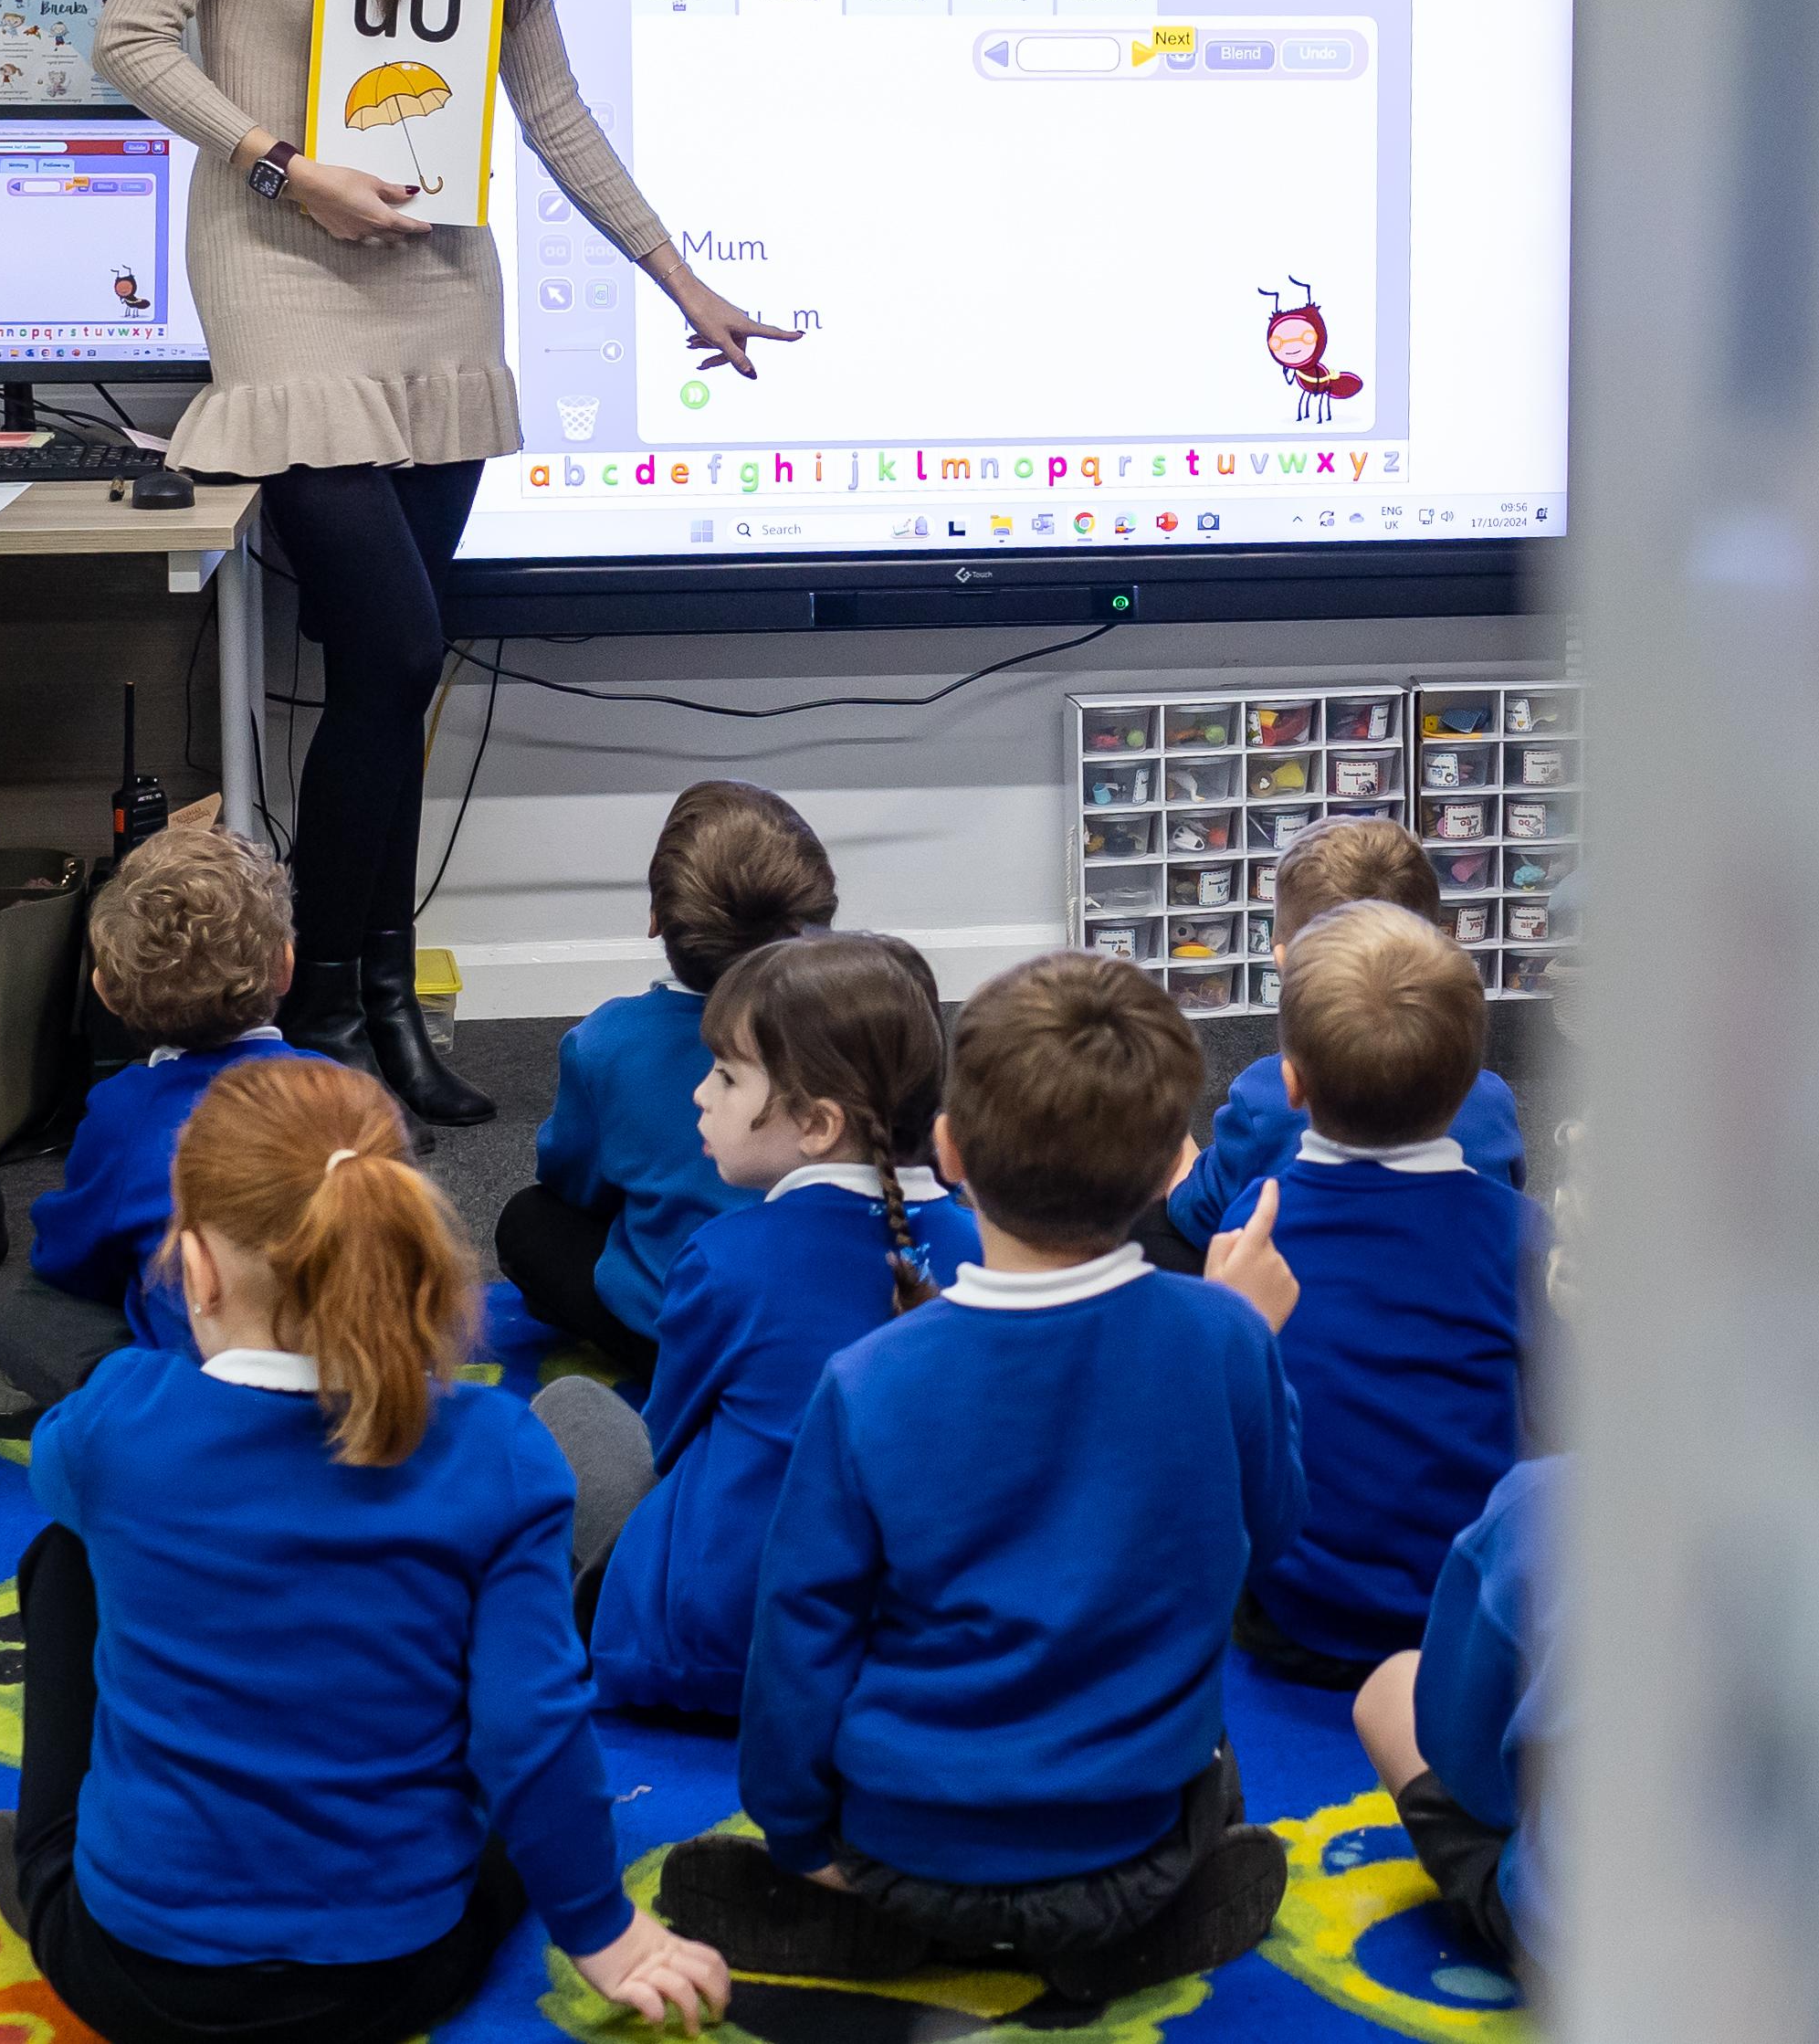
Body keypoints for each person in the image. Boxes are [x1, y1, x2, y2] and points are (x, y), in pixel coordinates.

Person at [94, 0, 794, 1129]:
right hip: (284, 273)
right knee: (397, 651)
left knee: (385, 681)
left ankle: (373, 999)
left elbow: (549, 109)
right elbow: (133, 34)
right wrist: (284, 167)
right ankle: (330, 1000)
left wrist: (680, 276)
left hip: (437, 290)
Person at [5, 1059, 732, 2044]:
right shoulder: (496, 1448)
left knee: (66, 1552)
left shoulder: (117, 1416)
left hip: (132, 1973)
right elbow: (528, 1731)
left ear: (197, 1270)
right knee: (505, 1733)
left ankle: (52, 1862)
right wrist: (604, 1930)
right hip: (395, 1973)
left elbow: (67, 1477)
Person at [653, 954, 1303, 2004]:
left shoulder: (868, 1377)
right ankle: (1127, 1923)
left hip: (902, 1847)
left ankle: (865, 1914)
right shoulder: (1224, 1335)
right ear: (1164, 1174)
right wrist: (1255, 1339)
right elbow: (1271, 1534)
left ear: (949, 1150)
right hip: (1130, 1837)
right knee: (1210, 1762)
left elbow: (800, 1633)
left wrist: (797, 1832)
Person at [532, 931, 983, 1715]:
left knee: (569, 1406)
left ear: (818, 1125)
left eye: (726, 1075)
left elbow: (668, 1445)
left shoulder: (724, 1256)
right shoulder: (980, 1249)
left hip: (714, 1654)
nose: (700, 1095)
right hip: (912, 1653)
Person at [1216, 902, 1529, 1684]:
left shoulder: (1252, 1223)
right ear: (1470, 1087)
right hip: (1465, 1613)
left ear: (1291, 1084)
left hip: (1296, 1616)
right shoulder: (1522, 1234)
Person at [0, 823, 295, 1437]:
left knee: (19, 1309)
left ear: (106, 992)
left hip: (212, 1388)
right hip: (362, 1360)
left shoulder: (126, 1111)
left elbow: (71, 1262)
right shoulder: (347, 1088)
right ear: (285, 965)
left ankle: (116, 1419)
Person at [492, 781, 836, 1379]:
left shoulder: (607, 1040)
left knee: (529, 1220)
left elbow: (573, 1184)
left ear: (657, 919)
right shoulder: (857, 1023)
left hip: (673, 1338)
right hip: (823, 1327)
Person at [1141, 818, 1525, 1270]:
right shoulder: (1492, 1099)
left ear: (1282, 962)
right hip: (1463, 1279)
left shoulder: (1263, 1096)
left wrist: (1172, 1133)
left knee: (1149, 1224)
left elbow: (1197, 1213)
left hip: (1289, 1298)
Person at [1353, 1455, 1559, 1982]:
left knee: (1390, 1687)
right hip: (1759, 1956)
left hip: (1580, 1941)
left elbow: (1471, 1779)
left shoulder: (1542, 1500)